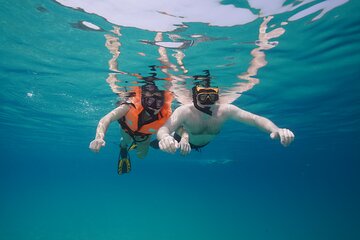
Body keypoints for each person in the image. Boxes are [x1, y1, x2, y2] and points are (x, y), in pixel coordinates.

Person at [156, 75, 295, 155]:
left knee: (185, 130)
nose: (208, 102)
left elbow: (254, 119)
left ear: (217, 96)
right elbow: (164, 128)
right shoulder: (185, 110)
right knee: (178, 132)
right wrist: (164, 138)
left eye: (212, 96)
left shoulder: (225, 110)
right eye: (203, 97)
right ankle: (183, 136)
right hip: (180, 139)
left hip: (201, 141)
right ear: (194, 97)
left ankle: (185, 136)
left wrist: (275, 129)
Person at [89, 82, 173, 174]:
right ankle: (123, 149)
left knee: (142, 156)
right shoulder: (129, 106)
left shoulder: (166, 116)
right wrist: (99, 137)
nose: (154, 106)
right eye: (150, 100)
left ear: (164, 101)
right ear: (143, 99)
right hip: (126, 130)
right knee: (125, 142)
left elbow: (178, 127)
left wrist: (172, 138)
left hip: (144, 137)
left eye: (159, 101)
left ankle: (135, 144)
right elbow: (106, 119)